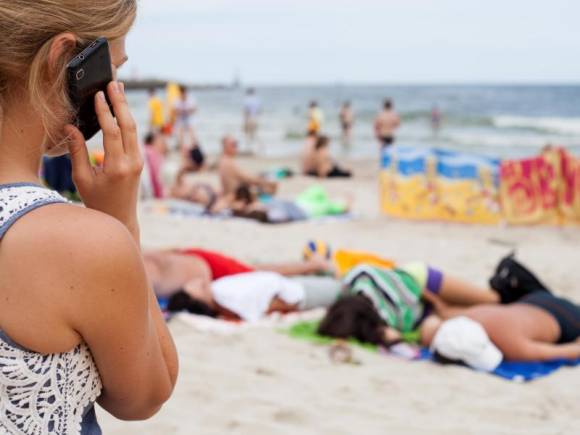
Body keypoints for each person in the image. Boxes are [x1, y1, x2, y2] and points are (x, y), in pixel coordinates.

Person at [0, 1, 178, 433]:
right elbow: (147, 395)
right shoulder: (80, 244)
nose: (111, 87)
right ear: (60, 60)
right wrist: (120, 222)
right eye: (109, 70)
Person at [319, 256, 580, 362]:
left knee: (494, 298)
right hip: (532, 307)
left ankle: (511, 276)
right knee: (493, 307)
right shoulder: (350, 287)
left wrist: (436, 305)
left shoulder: (388, 317)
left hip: (421, 280)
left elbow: (558, 352)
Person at [143, 249, 340, 321]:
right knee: (258, 270)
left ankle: (314, 265)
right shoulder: (218, 292)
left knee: (256, 270)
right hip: (204, 268)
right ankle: (314, 265)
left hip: (198, 264)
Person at [143, 132, 168, 199]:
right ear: (153, 142)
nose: (164, 143)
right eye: (161, 141)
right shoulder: (152, 154)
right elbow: (156, 180)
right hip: (155, 195)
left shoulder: (147, 151)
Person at [243, 88, 261, 152]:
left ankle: (249, 148)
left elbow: (246, 111)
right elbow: (259, 111)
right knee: (254, 134)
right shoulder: (257, 100)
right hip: (255, 118)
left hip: (249, 118)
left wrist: (245, 120)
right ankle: (259, 147)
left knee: (248, 134)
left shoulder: (247, 100)